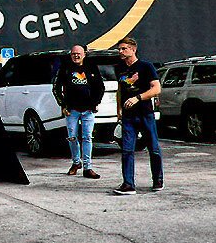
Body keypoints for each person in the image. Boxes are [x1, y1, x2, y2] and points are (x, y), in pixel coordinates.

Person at [112, 37, 163, 195]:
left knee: (153, 148)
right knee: (127, 150)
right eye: (119, 49)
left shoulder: (145, 67)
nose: (121, 52)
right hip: (128, 117)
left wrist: (138, 97)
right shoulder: (119, 68)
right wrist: (119, 109)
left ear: (133, 49)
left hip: (145, 113)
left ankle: (158, 179)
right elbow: (120, 90)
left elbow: (156, 89)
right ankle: (128, 184)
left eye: (124, 49)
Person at [53, 45, 104, 179]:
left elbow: (100, 87)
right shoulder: (65, 68)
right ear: (71, 55)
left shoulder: (91, 67)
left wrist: (95, 102)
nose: (76, 56)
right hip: (71, 110)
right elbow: (56, 88)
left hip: (88, 110)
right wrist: (62, 105)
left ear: (84, 54)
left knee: (87, 137)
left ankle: (88, 168)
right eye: (73, 53)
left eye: (79, 53)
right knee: (72, 137)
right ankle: (76, 163)